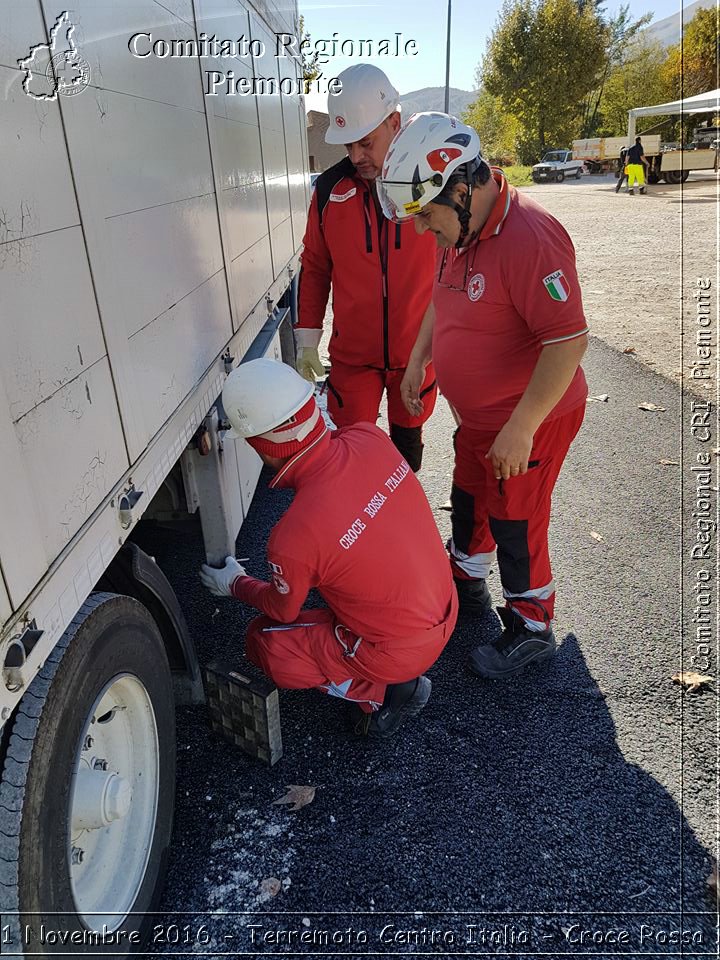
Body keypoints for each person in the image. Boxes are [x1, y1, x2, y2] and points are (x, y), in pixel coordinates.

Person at [378, 112, 588, 680]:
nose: (423, 230)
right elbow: (439, 302)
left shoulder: (530, 237)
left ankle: (531, 623)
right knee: (469, 494)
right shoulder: (463, 228)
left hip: (531, 417)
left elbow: (568, 341)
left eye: (427, 215)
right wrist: (419, 358)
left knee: (517, 518)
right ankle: (468, 579)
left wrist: (520, 427)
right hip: (479, 418)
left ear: (463, 187)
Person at [199, 358, 458, 738]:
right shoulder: (369, 436)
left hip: (398, 652)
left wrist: (235, 583)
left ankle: (381, 692)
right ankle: (384, 667)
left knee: (266, 644)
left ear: (261, 448)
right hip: (445, 608)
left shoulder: (294, 537)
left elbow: (282, 610)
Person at [295, 64, 438, 472]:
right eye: (348, 147)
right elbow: (316, 266)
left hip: (416, 353)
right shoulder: (328, 190)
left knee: (407, 456)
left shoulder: (428, 180)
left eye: (365, 143)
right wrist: (308, 337)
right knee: (354, 462)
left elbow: (456, 261)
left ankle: (401, 525)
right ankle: (363, 531)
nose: (357, 157)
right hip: (354, 358)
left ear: (394, 122)